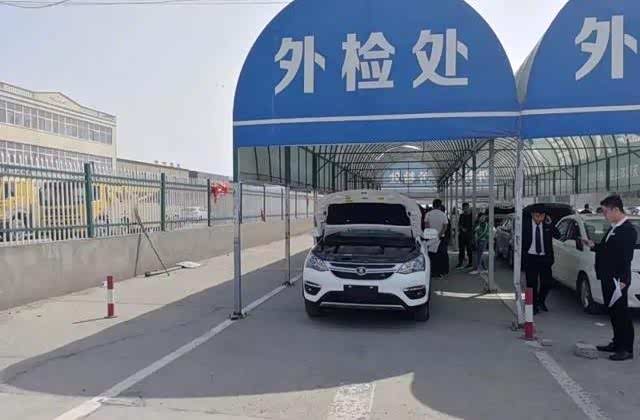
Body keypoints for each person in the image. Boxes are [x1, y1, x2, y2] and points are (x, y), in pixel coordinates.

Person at [583, 195, 636, 361]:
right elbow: (608, 250)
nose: (604, 215)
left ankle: (626, 348)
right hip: (608, 276)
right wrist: (594, 245)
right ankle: (617, 342)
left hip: (617, 279)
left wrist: (623, 280)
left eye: (606, 212)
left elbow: (626, 258)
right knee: (613, 312)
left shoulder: (627, 230)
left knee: (622, 314)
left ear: (616, 210)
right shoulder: (614, 227)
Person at [521, 204, 561, 314]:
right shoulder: (526, 225)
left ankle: (541, 301)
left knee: (547, 283)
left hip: (545, 258)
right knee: (531, 284)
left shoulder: (547, 225)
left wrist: (551, 224)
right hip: (531, 257)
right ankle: (532, 306)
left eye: (542, 216)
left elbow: (558, 235)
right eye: (537, 216)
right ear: (532, 215)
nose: (539, 219)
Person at [424, 199, 449, 277]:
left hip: (431, 237)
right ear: (440, 205)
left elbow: (426, 225)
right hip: (441, 238)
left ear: (433, 205)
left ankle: (432, 271)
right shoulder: (443, 214)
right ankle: (441, 272)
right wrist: (439, 235)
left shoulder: (428, 214)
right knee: (441, 255)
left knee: (431, 255)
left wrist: (431, 234)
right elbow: (445, 227)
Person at [456, 203, 473, 269]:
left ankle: (470, 263)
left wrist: (469, 230)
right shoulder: (461, 215)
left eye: (466, 207)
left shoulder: (472, 216)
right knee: (461, 250)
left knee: (469, 249)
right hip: (462, 235)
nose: (465, 209)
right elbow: (459, 224)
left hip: (469, 235)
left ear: (468, 208)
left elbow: (473, 225)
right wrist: (462, 228)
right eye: (464, 208)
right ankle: (460, 263)